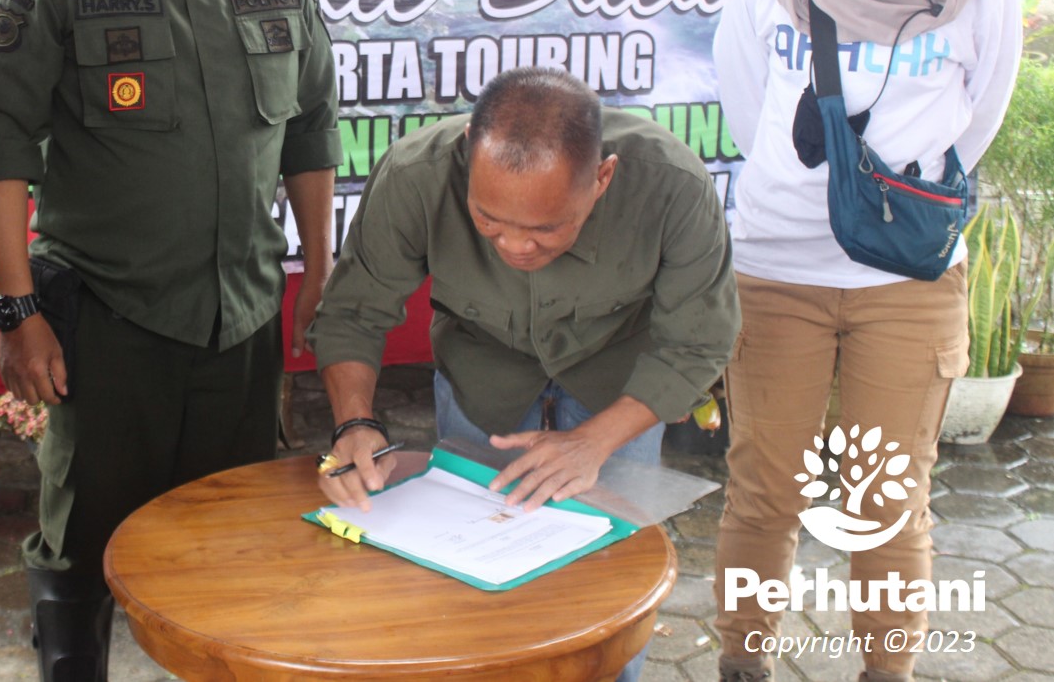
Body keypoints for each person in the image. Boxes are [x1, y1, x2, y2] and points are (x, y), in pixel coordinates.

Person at [0, 0, 342, 682]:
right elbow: (0, 145)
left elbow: (309, 127)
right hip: (108, 323)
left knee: (237, 546)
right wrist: (18, 311)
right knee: (83, 551)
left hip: (242, 319)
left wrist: (321, 277)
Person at [710, 0, 1022, 682]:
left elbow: (978, 121)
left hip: (907, 280)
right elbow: (745, 103)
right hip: (775, 272)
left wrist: (883, 200)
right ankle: (742, 663)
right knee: (764, 489)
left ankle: (888, 673)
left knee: (890, 498)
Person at [309, 65, 741, 682]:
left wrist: (596, 441)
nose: (515, 246)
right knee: (469, 562)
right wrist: (354, 423)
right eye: (489, 221)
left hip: (618, 383)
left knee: (611, 575)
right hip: (482, 375)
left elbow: (697, 342)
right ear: (466, 159)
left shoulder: (672, 185)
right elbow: (353, 311)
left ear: (602, 179)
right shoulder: (415, 175)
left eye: (547, 228)